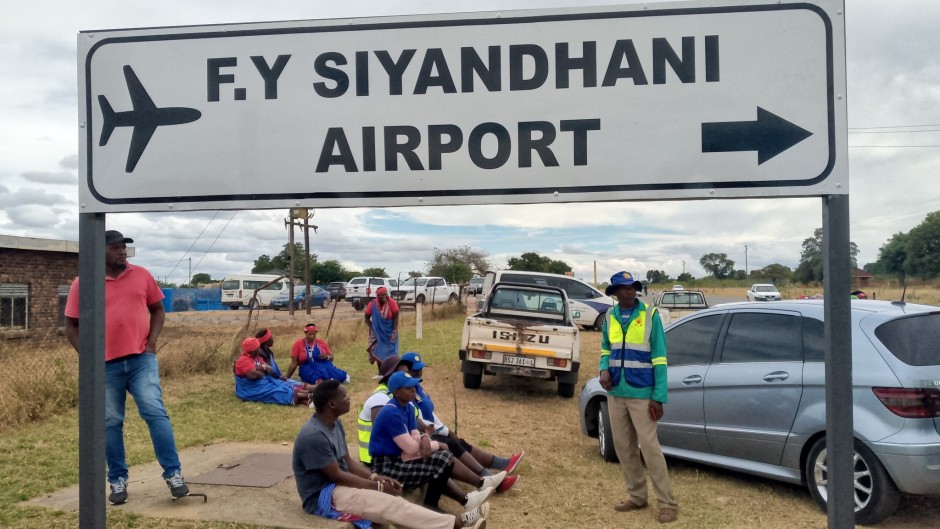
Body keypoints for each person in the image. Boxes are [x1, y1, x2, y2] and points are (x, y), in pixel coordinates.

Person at [63, 230, 189, 505]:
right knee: (110, 422)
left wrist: (152, 343)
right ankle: (117, 480)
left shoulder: (142, 275)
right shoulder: (83, 283)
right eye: (115, 248)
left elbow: (158, 309)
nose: (122, 252)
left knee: (155, 413)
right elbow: (71, 326)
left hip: (140, 360)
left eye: (123, 247)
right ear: (100, 251)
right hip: (105, 365)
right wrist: (89, 359)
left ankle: (174, 474)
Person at [293, 380, 489, 529]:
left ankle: (449, 522)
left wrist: (376, 477)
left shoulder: (335, 424)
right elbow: (336, 475)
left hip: (338, 486)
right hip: (324, 495)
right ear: (331, 404)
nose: (349, 398)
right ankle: (456, 523)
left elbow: (348, 462)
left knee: (392, 501)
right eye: (344, 396)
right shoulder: (314, 436)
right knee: (386, 503)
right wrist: (377, 486)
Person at [600, 271, 678, 523]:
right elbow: (605, 347)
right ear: (614, 293)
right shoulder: (610, 317)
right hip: (616, 392)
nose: (629, 291)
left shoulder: (650, 315)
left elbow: (660, 358)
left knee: (650, 448)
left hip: (643, 392)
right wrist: (603, 368)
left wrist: (659, 396)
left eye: (632, 287)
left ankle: (667, 503)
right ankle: (636, 496)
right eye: (623, 288)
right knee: (624, 447)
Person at [370, 372, 501, 511]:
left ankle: (465, 497)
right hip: (386, 466)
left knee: (444, 457)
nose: (414, 389)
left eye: (414, 386)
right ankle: (446, 502)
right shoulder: (391, 412)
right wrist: (437, 444)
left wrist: (425, 437)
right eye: (408, 388)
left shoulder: (407, 407)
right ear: (396, 392)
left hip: (400, 458)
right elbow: (411, 448)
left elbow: (415, 436)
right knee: (442, 457)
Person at [400, 351, 524, 491]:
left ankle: (500, 465)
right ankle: (489, 478)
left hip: (433, 430)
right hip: (425, 434)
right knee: (453, 444)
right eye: (415, 370)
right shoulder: (405, 391)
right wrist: (444, 432)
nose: (419, 372)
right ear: (405, 370)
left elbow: (431, 414)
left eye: (421, 369)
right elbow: (419, 419)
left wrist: (446, 429)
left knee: (459, 442)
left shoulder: (417, 387)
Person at [357, 355, 405, 466]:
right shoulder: (380, 398)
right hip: (377, 459)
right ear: (391, 376)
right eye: (402, 372)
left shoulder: (399, 393)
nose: (408, 375)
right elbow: (382, 433)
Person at [234, 337, 312, 406]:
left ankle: (308, 399)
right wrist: (263, 369)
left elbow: (269, 369)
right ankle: (313, 396)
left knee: (283, 386)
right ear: (253, 350)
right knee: (277, 391)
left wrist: (260, 368)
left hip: (263, 383)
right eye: (258, 348)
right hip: (252, 389)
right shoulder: (244, 360)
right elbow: (253, 376)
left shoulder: (256, 357)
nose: (259, 349)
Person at [364, 287, 399, 368]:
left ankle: (391, 370)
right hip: (378, 333)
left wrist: (394, 330)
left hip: (390, 331)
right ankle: (381, 372)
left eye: (385, 294)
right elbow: (366, 317)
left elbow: (396, 317)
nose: (384, 296)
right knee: (379, 350)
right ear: (377, 295)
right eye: (381, 295)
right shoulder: (372, 304)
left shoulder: (392, 303)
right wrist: (372, 328)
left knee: (391, 350)